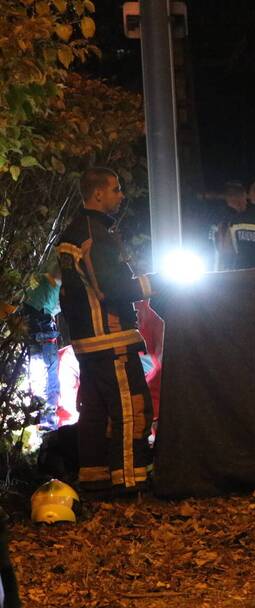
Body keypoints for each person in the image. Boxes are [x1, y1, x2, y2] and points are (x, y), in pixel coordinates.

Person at [56, 167, 155, 496]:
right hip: (111, 338)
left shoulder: (75, 231)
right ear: (98, 194)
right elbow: (111, 288)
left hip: (88, 342)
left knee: (95, 413)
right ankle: (130, 482)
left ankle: (95, 482)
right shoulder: (93, 234)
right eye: (115, 189)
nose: (120, 195)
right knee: (131, 409)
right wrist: (155, 282)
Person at [20, 260, 62, 430]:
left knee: (40, 371)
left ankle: (43, 416)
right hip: (42, 327)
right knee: (47, 374)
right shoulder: (51, 283)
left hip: (33, 325)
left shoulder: (41, 279)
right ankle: (47, 420)